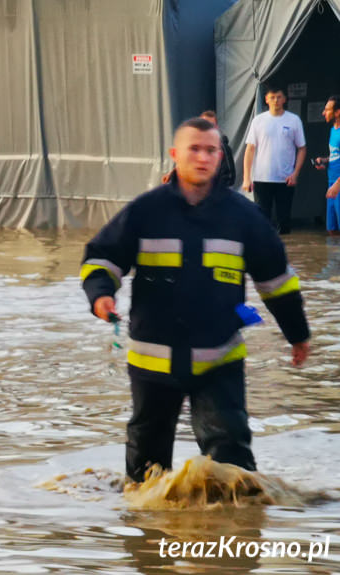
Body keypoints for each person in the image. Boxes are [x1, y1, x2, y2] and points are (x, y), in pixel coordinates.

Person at [80, 117, 310, 484]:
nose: (203, 157)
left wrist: (298, 334)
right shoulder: (145, 211)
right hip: (152, 362)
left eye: (211, 150)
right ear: (175, 155)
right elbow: (101, 258)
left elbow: (276, 282)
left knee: (233, 471)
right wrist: (101, 296)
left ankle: (235, 538)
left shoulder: (244, 217)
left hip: (219, 360)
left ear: (221, 156)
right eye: (194, 149)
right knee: (145, 475)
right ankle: (148, 541)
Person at [242, 86, 307, 234]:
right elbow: (250, 149)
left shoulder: (294, 120)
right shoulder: (258, 121)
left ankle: (285, 252)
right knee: (262, 220)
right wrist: (246, 178)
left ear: (284, 99)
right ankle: (264, 253)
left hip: (285, 179)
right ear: (266, 99)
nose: (276, 101)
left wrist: (295, 174)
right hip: (262, 178)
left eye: (279, 97)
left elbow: (302, 148)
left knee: (284, 221)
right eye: (272, 97)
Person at [162, 110, 235, 187]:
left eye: (210, 125)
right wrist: (173, 174)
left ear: (216, 127)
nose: (203, 159)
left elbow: (229, 177)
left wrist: (213, 192)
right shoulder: (191, 145)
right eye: (203, 125)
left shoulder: (223, 148)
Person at [313, 95, 340, 236]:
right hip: (332, 185)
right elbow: (336, 155)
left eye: (327, 110)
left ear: (337, 112)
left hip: (338, 185)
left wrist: (337, 184)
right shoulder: (333, 131)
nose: (324, 113)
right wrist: (324, 160)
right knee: (332, 230)